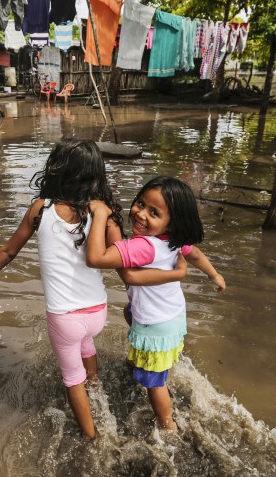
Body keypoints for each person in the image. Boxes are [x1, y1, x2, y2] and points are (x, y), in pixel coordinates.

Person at [0, 139, 185, 439]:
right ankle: (95, 385)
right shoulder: (106, 215)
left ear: (56, 170)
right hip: (98, 313)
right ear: (96, 176)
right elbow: (126, 268)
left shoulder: (40, 209)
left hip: (64, 318)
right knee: (86, 343)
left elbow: (8, 252)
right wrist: (171, 277)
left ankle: (92, 439)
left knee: (71, 379)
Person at [86, 175, 226, 432]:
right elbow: (193, 253)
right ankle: (137, 362)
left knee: (154, 384)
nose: (140, 214)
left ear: (172, 222)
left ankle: (167, 425)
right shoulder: (172, 241)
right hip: (172, 316)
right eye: (140, 204)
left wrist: (99, 215)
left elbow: (96, 258)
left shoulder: (143, 246)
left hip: (155, 323)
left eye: (154, 212)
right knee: (129, 311)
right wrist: (214, 274)